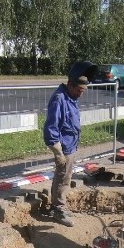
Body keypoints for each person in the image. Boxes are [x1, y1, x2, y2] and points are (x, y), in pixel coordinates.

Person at [43, 61, 96, 227]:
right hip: (63, 147)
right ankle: (58, 209)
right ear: (71, 85)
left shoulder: (70, 97)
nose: (81, 94)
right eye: (79, 90)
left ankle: (60, 204)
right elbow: (51, 127)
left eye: (83, 91)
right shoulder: (59, 99)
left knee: (66, 177)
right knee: (62, 178)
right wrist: (58, 152)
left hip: (70, 145)